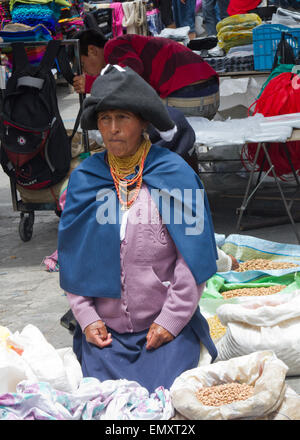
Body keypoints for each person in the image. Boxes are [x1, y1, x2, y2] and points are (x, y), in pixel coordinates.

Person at [58, 64, 218, 392]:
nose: (113, 129)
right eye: (105, 119)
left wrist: (171, 321)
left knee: (166, 398)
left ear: (143, 121)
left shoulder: (175, 174)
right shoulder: (87, 180)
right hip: (106, 336)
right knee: (104, 400)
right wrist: (88, 319)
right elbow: (73, 258)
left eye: (123, 118)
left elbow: (193, 258)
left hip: (164, 332)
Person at [73, 29, 219, 120]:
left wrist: (93, 83)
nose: (85, 72)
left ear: (92, 50)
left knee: (135, 124)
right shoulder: (124, 49)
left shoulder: (112, 47)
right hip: (210, 93)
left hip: (191, 95)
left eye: (83, 65)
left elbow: (133, 71)